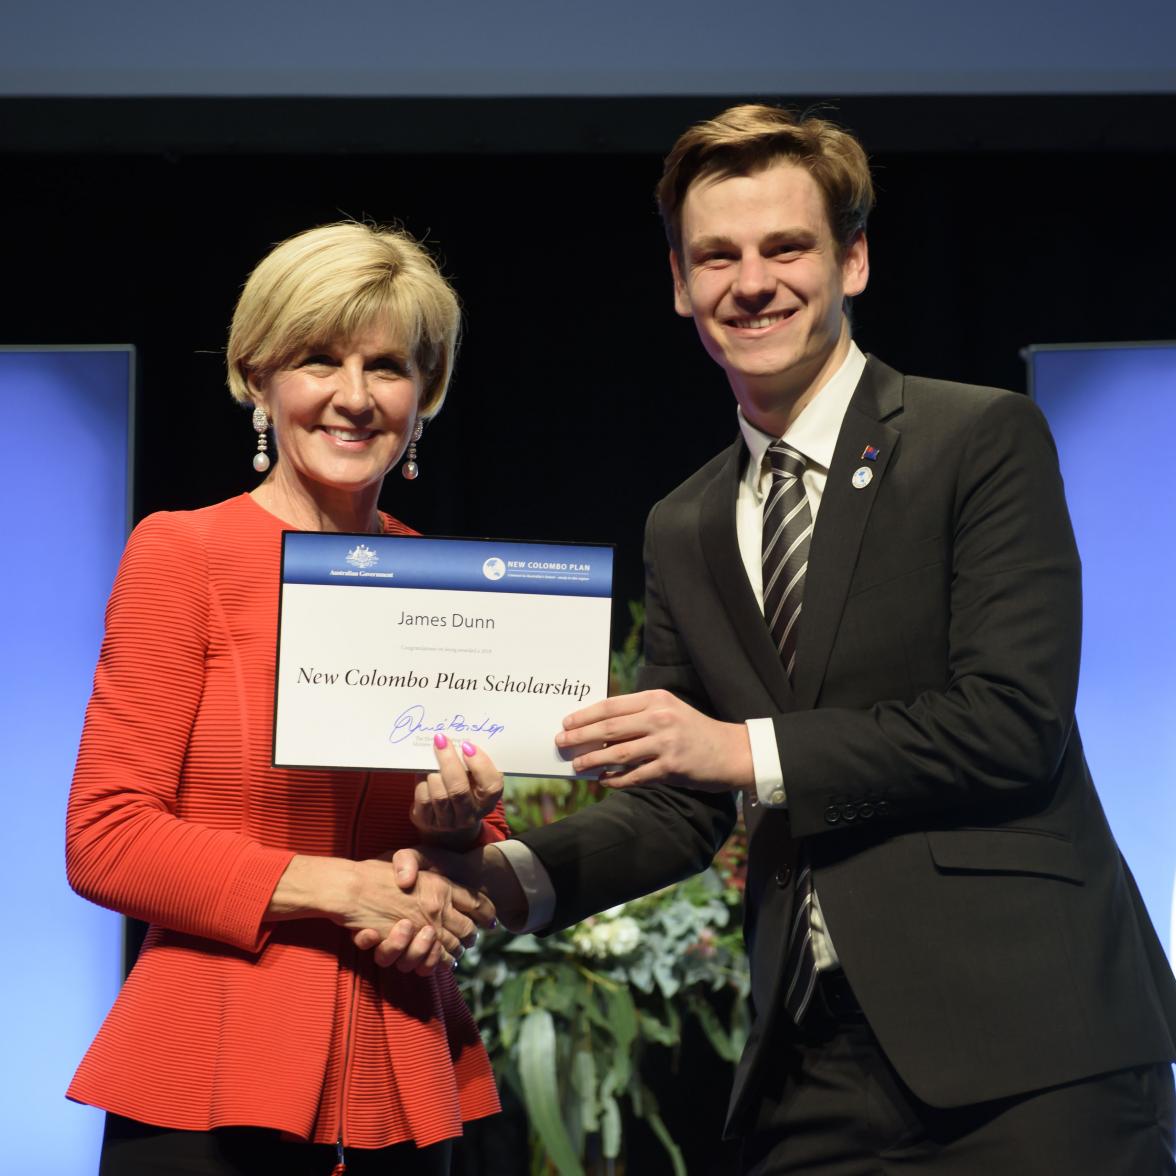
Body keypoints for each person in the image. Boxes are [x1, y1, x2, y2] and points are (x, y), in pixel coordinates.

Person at [401, 106, 1176, 1173]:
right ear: (679, 284)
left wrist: (743, 749)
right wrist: (506, 880)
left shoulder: (978, 438)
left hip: (1029, 1052)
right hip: (810, 1069)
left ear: (853, 261)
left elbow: (1011, 724)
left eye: (786, 247)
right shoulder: (685, 521)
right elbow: (678, 799)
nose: (750, 282)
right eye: (715, 255)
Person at [66, 222, 509, 1176]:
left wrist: (453, 837)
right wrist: (336, 888)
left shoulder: (450, 586)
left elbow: (476, 859)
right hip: (206, 1072)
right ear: (256, 377)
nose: (353, 397)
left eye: (387, 367)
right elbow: (105, 836)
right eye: (318, 359)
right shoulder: (181, 555)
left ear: (424, 397)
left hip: (401, 1074)